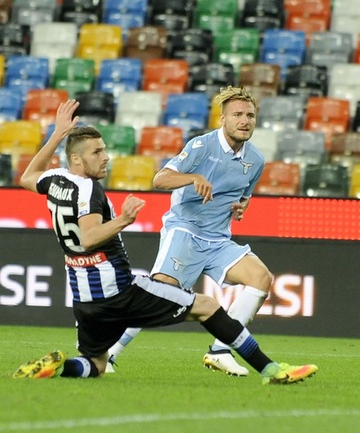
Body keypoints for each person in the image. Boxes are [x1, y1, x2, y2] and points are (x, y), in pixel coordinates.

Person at [12, 99, 317, 385]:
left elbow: (28, 176)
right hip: (117, 287)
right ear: (77, 159)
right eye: (97, 152)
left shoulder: (56, 180)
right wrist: (123, 220)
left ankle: (61, 368)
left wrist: (58, 134)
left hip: (84, 297)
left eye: (104, 150)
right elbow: (88, 238)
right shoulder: (89, 190)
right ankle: (270, 369)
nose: (106, 157)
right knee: (207, 306)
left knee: (96, 365)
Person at [107, 87, 275, 378]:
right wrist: (193, 177)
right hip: (185, 230)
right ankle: (109, 353)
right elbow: (160, 179)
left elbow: (244, 196)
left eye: (250, 115)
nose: (244, 120)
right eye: (237, 114)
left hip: (218, 239)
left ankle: (220, 351)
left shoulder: (256, 160)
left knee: (261, 278)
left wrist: (241, 207)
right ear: (222, 119)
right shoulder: (201, 146)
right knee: (160, 293)